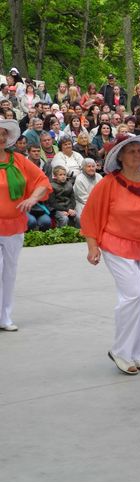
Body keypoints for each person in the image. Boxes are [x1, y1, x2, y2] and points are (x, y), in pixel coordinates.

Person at [81, 134, 140, 375]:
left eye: (139, 150)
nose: (137, 154)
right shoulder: (109, 183)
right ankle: (121, 351)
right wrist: (92, 246)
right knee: (134, 295)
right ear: (120, 156)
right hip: (116, 244)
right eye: (131, 151)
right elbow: (90, 215)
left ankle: (139, 352)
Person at [0, 119, 52, 331]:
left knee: (9, 272)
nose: (1, 137)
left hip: (14, 224)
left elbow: (42, 181)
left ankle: (5, 317)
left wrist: (32, 198)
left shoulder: (19, 160)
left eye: (3, 133)